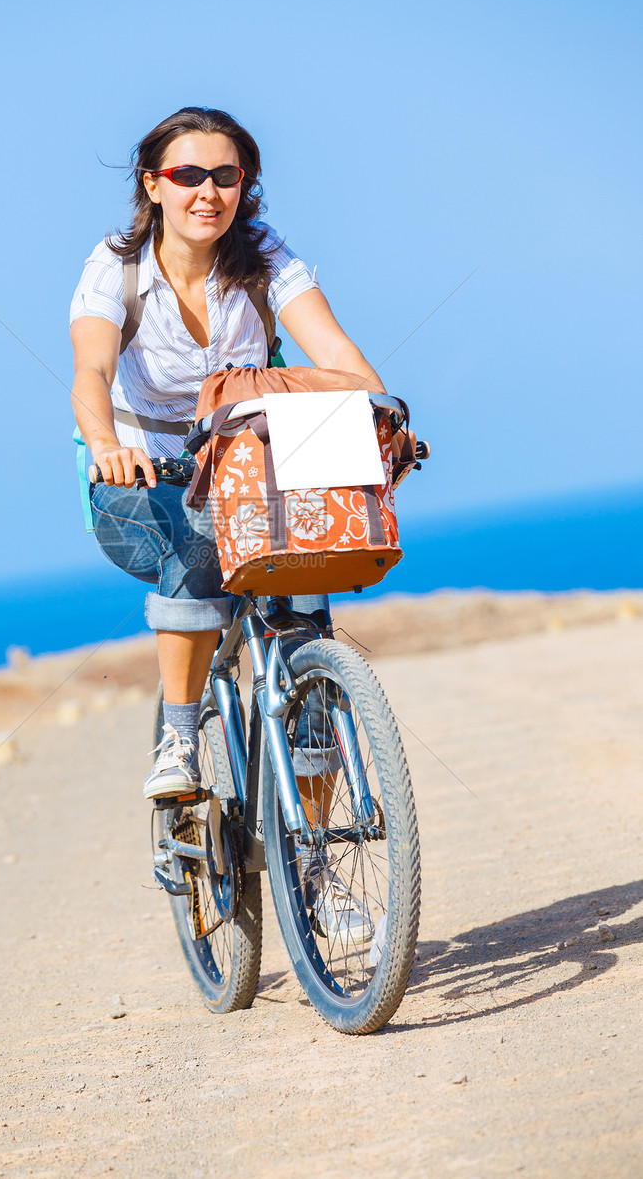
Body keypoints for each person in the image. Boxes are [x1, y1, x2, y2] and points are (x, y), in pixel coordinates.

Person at [70, 105, 392, 812]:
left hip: (251, 474)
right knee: (195, 552)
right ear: (152, 183)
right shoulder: (116, 268)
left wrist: (381, 413)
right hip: (148, 476)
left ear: (245, 185)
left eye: (226, 175)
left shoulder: (266, 257)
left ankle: (312, 864)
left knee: (307, 606)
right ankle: (181, 739)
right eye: (187, 175)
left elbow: (334, 353)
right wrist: (107, 448)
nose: (206, 192)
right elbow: (90, 372)